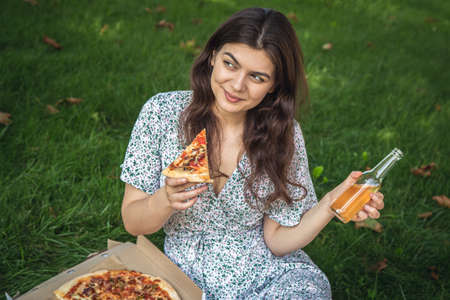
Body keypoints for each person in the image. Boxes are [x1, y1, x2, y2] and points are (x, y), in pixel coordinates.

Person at [120, 7, 384, 299]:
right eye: (230, 64)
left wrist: (330, 204)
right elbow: (133, 223)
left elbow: (277, 242)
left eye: (257, 77)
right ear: (212, 56)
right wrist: (164, 199)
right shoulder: (162, 113)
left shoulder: (284, 134)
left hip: (264, 273)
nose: (236, 85)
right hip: (184, 274)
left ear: (273, 86)